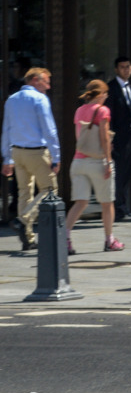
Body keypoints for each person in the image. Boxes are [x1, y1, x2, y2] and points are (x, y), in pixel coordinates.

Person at [1, 67, 60, 252]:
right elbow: (49, 130)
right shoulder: (40, 99)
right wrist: (56, 157)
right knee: (50, 189)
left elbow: (7, 129)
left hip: (17, 152)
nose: (48, 86)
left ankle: (27, 238)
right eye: (46, 82)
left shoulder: (11, 99)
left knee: (24, 193)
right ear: (35, 80)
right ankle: (23, 220)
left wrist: (7, 158)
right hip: (37, 151)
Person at [65, 80, 124, 254]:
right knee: (107, 203)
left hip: (78, 162)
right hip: (97, 162)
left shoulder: (79, 110)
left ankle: (65, 238)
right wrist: (107, 161)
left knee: (80, 203)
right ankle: (109, 240)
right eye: (105, 94)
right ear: (99, 94)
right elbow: (104, 137)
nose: (106, 97)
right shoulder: (102, 110)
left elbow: (80, 137)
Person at [105, 56, 131, 222]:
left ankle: (123, 209)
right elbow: (109, 117)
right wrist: (110, 140)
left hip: (129, 139)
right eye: (122, 67)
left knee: (125, 174)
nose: (126, 70)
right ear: (116, 69)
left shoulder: (129, 88)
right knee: (119, 176)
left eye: (128, 67)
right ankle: (119, 211)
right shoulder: (112, 88)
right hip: (117, 140)